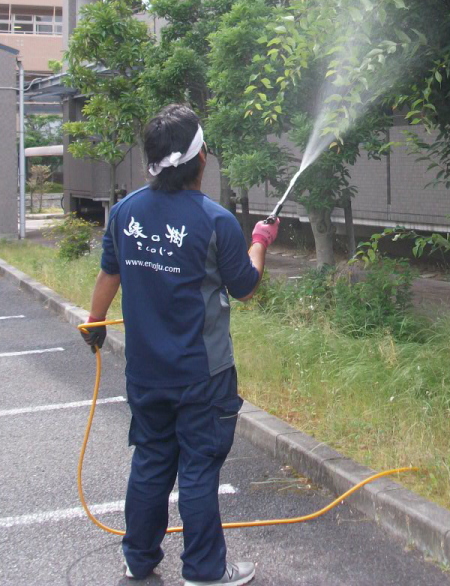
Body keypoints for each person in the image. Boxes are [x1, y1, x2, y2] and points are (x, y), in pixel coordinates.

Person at [81, 104, 278, 586]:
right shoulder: (216, 221)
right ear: (201, 159)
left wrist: (94, 321)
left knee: (151, 460)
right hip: (201, 376)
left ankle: (138, 557)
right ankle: (205, 571)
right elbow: (246, 286)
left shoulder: (127, 212)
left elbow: (110, 273)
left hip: (145, 372)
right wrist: (260, 239)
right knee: (198, 467)